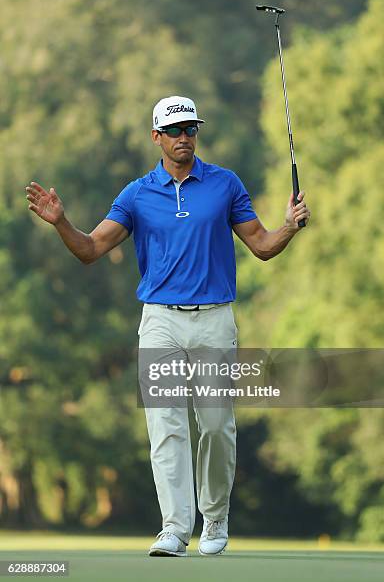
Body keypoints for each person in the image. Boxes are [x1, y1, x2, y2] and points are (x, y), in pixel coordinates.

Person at [25, 95, 310, 557]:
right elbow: (90, 249)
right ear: (156, 136)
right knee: (166, 425)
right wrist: (61, 223)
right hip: (159, 321)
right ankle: (175, 528)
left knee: (217, 426)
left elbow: (261, 245)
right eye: (175, 131)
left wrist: (290, 227)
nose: (184, 138)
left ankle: (215, 518)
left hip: (215, 319)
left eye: (191, 129)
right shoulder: (136, 194)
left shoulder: (224, 184)